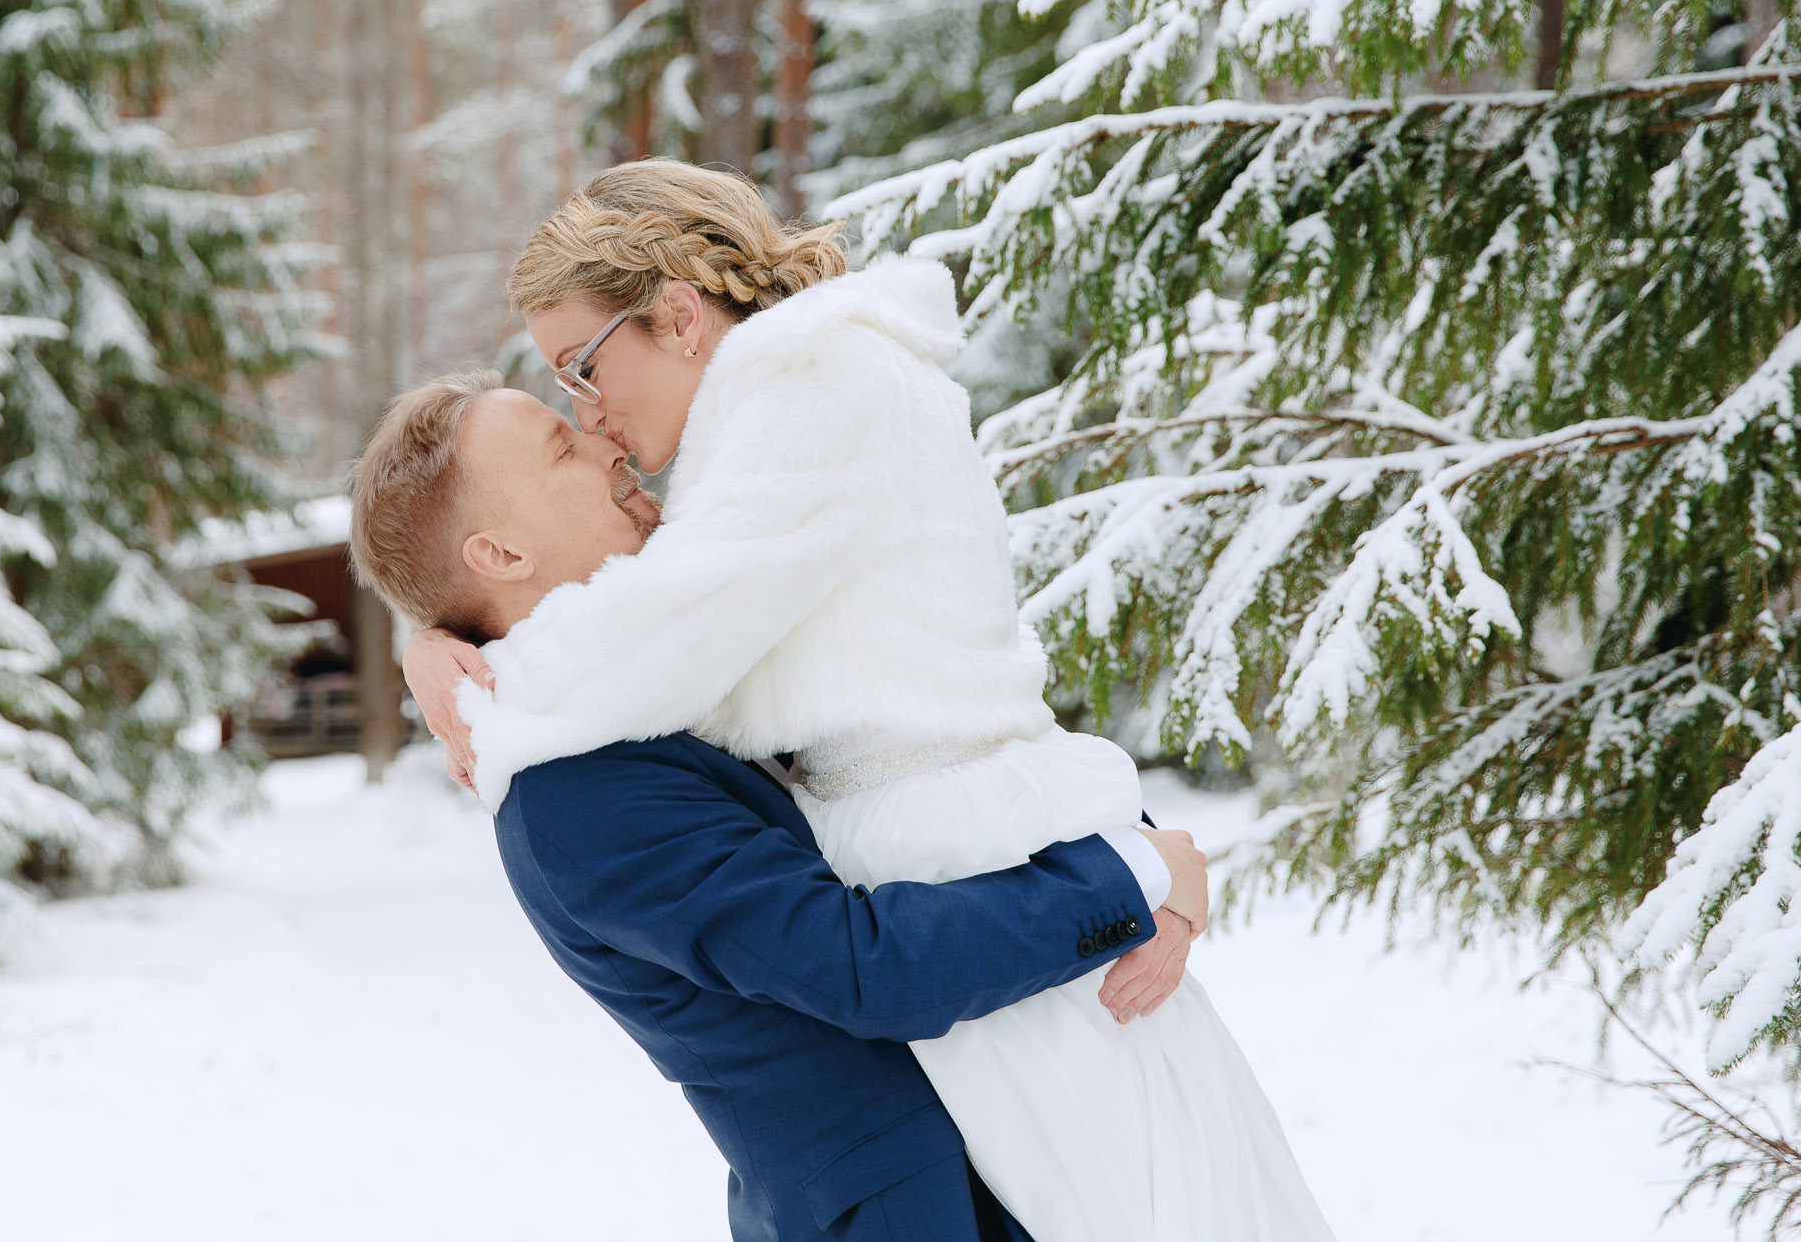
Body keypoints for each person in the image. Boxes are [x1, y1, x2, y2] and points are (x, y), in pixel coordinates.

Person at [399, 160, 1335, 1242]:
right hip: (950, 852)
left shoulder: (814, 391)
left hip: (964, 851)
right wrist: (444, 629)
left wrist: (471, 664)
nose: (593, 414)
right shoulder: (753, 431)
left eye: (582, 368)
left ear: (677, 315)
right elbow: (642, 634)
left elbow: (644, 638)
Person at [349, 372, 1212, 1242]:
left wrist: (1134, 850)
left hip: (1013, 1156)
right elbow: (862, 966)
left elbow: (913, 759)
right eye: (561, 449)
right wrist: (1127, 878)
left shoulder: (655, 674)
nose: (607, 443)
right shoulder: (572, 791)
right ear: (498, 554)